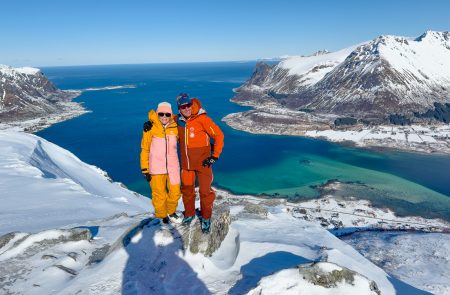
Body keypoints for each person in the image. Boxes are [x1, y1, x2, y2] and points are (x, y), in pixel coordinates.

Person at [143, 93, 224, 233]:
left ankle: (206, 217)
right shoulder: (177, 121)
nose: (186, 108)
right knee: (187, 191)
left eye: (188, 105)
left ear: (192, 105)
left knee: (205, 192)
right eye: (183, 106)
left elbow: (219, 135)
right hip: (187, 166)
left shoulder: (202, 119)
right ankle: (189, 213)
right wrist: (150, 122)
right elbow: (163, 119)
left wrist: (215, 156)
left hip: (203, 165)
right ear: (179, 109)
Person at [140, 102, 182, 224]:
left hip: (173, 167)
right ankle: (162, 216)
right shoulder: (150, 128)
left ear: (171, 114)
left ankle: (171, 211)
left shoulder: (175, 126)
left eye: (167, 114)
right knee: (159, 195)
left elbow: (184, 140)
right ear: (157, 114)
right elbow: (145, 149)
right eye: (161, 114)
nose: (164, 117)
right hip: (156, 168)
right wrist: (145, 169)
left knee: (175, 193)